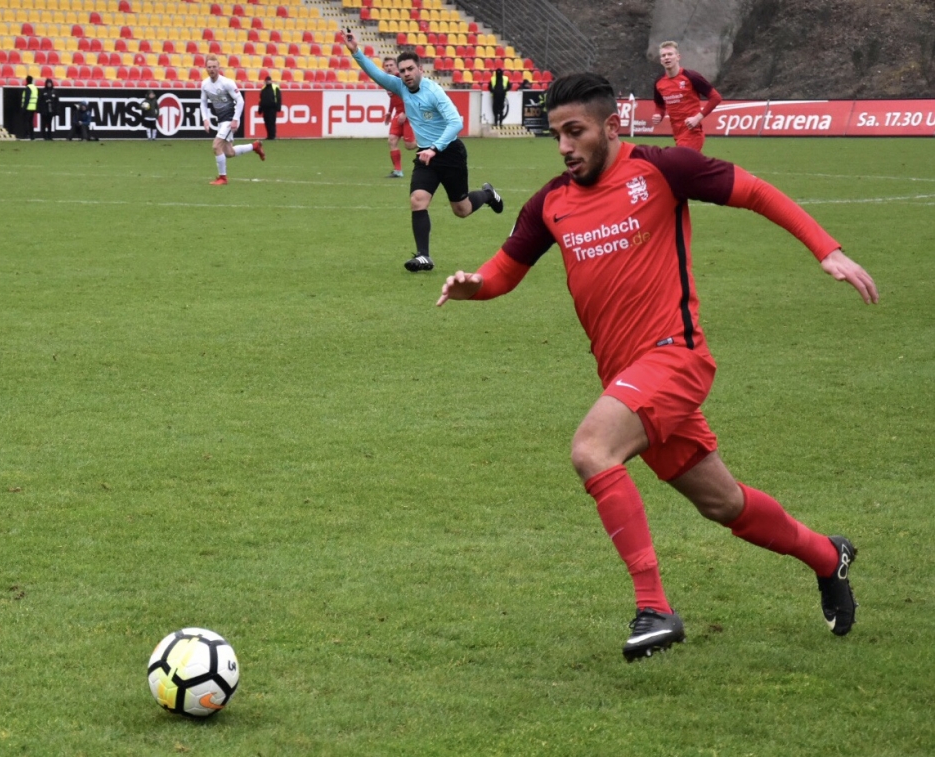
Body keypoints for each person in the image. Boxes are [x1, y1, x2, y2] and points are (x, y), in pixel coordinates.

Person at [437, 72, 878, 662]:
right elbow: (503, 271)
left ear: (611, 126)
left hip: (675, 357)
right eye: (556, 135)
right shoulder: (550, 204)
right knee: (724, 504)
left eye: (576, 132)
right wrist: (475, 285)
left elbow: (756, 192)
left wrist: (827, 249)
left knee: (592, 449)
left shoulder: (663, 170)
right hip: (627, 380)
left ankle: (654, 607)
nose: (564, 146)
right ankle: (828, 556)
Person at [345, 31, 504, 272]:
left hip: (450, 153)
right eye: (402, 70)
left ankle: (488, 194)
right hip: (425, 155)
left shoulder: (434, 92)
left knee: (462, 209)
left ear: (420, 69)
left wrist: (435, 147)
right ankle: (423, 256)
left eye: (410, 69)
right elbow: (377, 74)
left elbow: (456, 123)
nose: (406, 74)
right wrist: (356, 51)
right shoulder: (400, 86)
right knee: (417, 200)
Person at [200, 55, 265, 186]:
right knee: (229, 152)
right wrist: (205, 119)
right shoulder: (205, 84)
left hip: (230, 119)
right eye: (209, 67)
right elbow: (203, 102)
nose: (212, 69)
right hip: (221, 120)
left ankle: (223, 178)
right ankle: (255, 146)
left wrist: (235, 120)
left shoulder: (227, 83)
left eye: (214, 67)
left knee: (216, 145)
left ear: (219, 67)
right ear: (206, 68)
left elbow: (240, 100)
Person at [651, 40, 722, 152]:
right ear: (661, 60)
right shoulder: (659, 82)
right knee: (687, 163)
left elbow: (716, 98)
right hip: (677, 132)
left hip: (692, 131)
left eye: (670, 54)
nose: (666, 57)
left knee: (679, 161)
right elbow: (659, 105)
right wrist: (658, 115)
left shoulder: (691, 76)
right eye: (663, 55)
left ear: (678, 57)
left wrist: (697, 118)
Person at [381, 56, 417, 178]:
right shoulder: (387, 81)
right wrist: (389, 112)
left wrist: (406, 113)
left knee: (410, 146)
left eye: (391, 65)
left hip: (409, 113)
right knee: (392, 140)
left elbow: (412, 96)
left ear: (396, 67)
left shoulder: (401, 79)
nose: (389, 67)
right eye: (386, 66)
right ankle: (398, 171)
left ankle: (431, 141)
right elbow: (393, 98)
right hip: (398, 114)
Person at [257, 73, 282, 140]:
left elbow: (278, 97)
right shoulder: (263, 89)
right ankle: (269, 135)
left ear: (271, 81)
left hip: (272, 108)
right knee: (266, 122)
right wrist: (260, 109)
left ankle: (272, 135)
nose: (268, 82)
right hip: (265, 108)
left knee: (271, 122)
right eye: (267, 81)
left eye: (269, 80)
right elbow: (261, 99)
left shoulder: (275, 87)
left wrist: (278, 107)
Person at [20, 75, 38, 140]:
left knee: (26, 122)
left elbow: (27, 99)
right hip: (33, 107)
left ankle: (26, 134)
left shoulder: (28, 88)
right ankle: (32, 136)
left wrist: (24, 108)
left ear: (27, 81)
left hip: (28, 107)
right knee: (31, 122)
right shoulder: (35, 88)